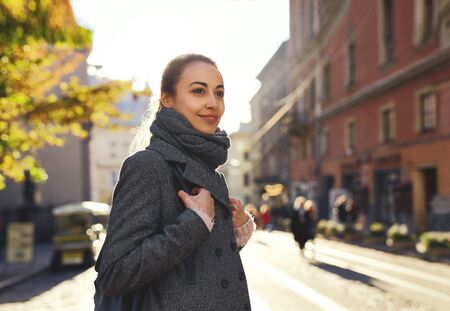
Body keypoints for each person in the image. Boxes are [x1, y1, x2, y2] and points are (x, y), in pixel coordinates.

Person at [93, 54, 256, 311]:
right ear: (167, 99)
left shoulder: (210, 171)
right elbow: (114, 274)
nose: (213, 103)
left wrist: (233, 233)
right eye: (198, 91)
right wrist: (194, 223)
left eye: (219, 93)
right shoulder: (149, 166)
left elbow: (197, 273)